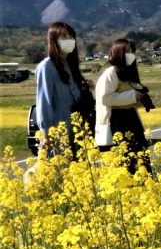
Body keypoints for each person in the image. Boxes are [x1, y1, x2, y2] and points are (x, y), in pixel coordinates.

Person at [95, 39, 154, 174]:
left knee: (141, 159)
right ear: (117, 53)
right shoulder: (111, 73)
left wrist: (140, 99)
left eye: (132, 51)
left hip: (130, 118)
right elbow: (106, 98)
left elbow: (124, 98)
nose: (130, 54)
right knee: (125, 163)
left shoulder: (126, 73)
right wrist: (133, 95)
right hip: (117, 121)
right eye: (126, 51)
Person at [35, 21, 94, 157]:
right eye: (63, 37)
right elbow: (44, 101)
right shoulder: (47, 67)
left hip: (78, 129)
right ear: (54, 41)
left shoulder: (70, 65)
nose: (69, 40)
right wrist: (46, 133)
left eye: (71, 37)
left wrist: (86, 88)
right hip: (59, 129)